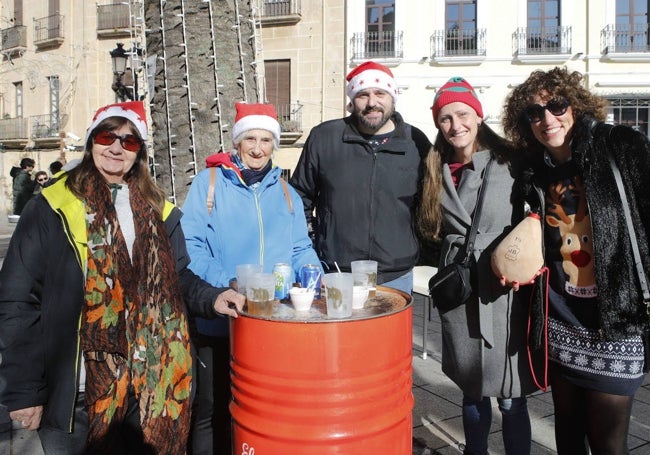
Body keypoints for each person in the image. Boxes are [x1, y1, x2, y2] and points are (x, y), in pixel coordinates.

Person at [0, 100, 245, 455]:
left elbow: (177, 278)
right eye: (107, 136)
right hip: (77, 392)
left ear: (139, 152)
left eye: (129, 142)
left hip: (150, 385)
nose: (116, 147)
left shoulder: (158, 209)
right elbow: (17, 300)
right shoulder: (51, 207)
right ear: (91, 142)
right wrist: (24, 391)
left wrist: (212, 297)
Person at [502, 67, 649, 455]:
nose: (547, 118)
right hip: (561, 322)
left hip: (616, 324)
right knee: (567, 436)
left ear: (575, 105)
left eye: (556, 105)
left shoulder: (619, 146)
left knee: (607, 445)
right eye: (534, 113)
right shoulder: (534, 172)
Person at [180, 102, 321, 455]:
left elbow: (300, 245)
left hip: (271, 322)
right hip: (220, 318)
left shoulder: (286, 191)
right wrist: (226, 282)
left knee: (263, 407)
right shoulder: (209, 182)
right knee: (211, 410)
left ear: (275, 144)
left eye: (266, 140)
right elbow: (191, 245)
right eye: (250, 139)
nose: (257, 148)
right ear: (237, 142)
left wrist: (315, 278)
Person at [418, 77, 536, 455]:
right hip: (462, 288)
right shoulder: (435, 168)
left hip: (505, 289)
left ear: (478, 116)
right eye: (445, 119)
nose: (456, 126)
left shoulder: (513, 160)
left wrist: (529, 261)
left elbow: (539, 216)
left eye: (463, 114)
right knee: (471, 391)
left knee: (510, 395)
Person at [289, 61, 431, 294]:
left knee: (390, 333)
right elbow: (299, 199)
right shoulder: (325, 137)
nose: (372, 102)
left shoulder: (416, 142)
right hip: (336, 274)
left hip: (396, 276)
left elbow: (429, 204)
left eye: (380, 93)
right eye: (363, 95)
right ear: (352, 102)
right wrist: (311, 249)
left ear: (393, 98)